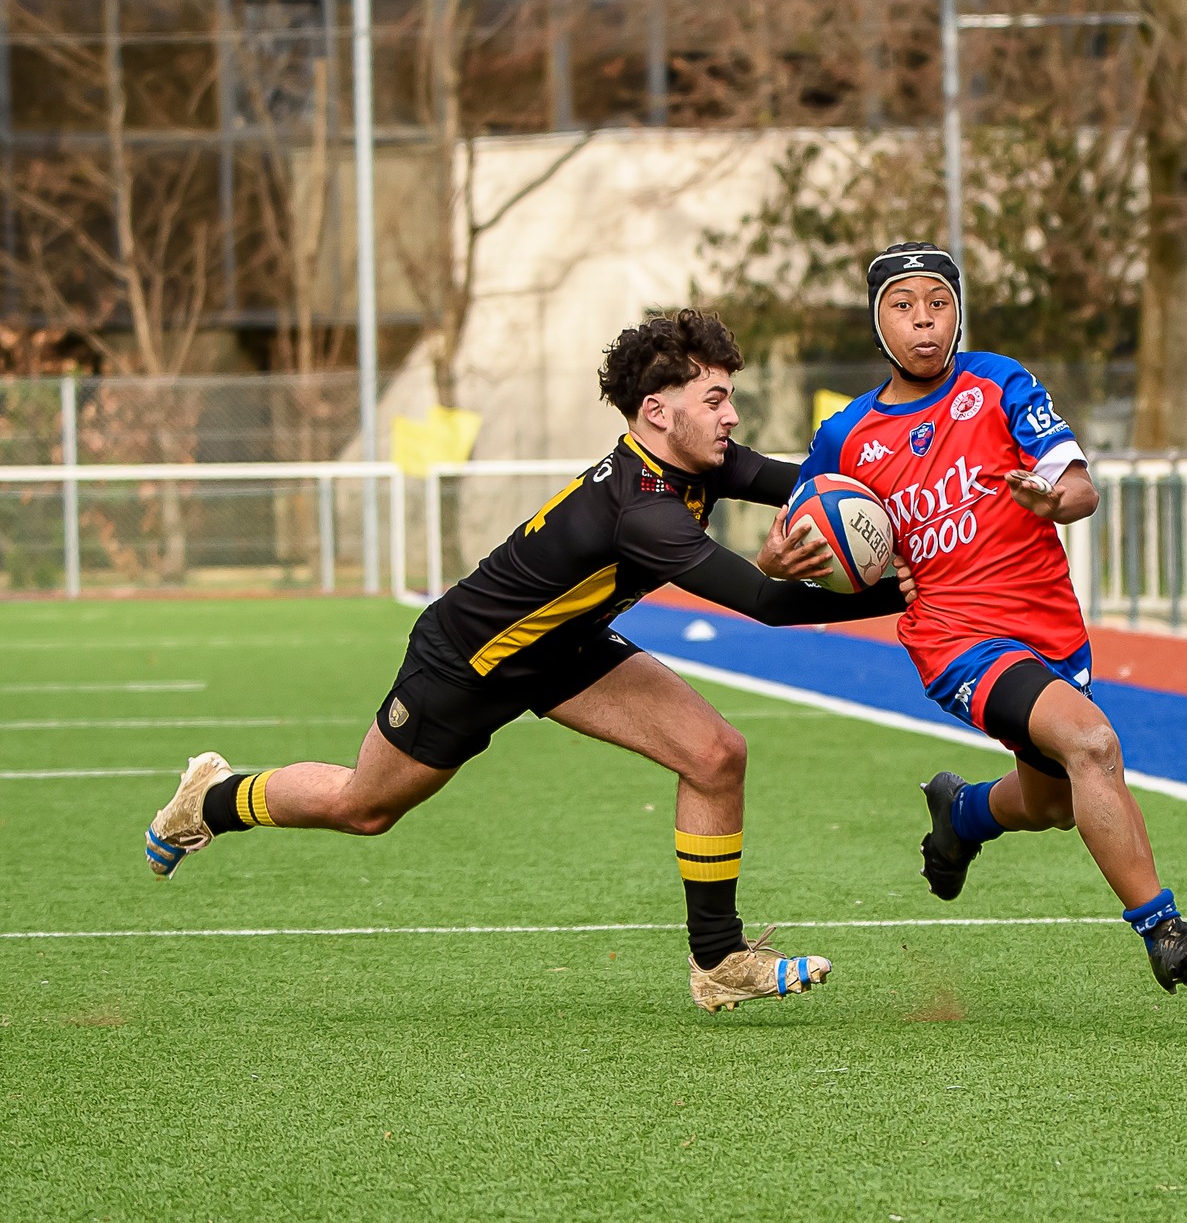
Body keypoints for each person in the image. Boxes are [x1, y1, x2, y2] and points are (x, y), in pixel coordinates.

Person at [145, 311, 912, 1012]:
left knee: (716, 754)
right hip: (468, 660)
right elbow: (767, 603)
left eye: (728, 398)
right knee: (365, 807)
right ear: (657, 411)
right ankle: (211, 799)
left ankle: (717, 959)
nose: (731, 415)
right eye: (714, 399)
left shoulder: (702, 460)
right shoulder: (640, 511)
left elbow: (810, 483)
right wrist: (902, 595)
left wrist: (931, 511)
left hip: (566, 650)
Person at [798, 243, 1187, 993]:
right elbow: (798, 539)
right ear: (878, 324)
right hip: (956, 640)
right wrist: (790, 561)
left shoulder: (998, 381)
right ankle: (1163, 928)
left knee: (1054, 801)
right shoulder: (847, 436)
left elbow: (1081, 489)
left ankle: (962, 813)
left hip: (1047, 626)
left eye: (937, 302)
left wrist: (1052, 498)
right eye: (903, 307)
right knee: (1092, 743)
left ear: (958, 311)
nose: (923, 321)